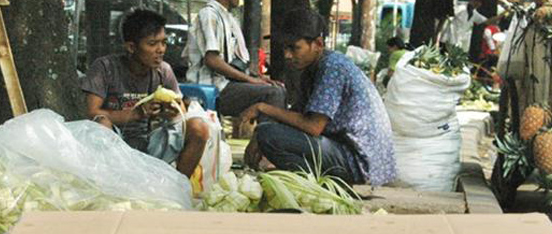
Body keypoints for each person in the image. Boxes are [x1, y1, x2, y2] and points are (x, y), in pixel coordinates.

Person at [240, 8, 396, 187]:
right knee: (268, 132)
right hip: (346, 151)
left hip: (360, 162)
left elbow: (313, 126)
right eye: (285, 48)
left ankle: (320, 182)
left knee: (270, 135)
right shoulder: (312, 68)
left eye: (294, 48)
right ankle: (314, 177)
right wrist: (258, 134)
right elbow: (297, 115)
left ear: (318, 44)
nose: (287, 55)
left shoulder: (332, 68)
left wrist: (263, 108)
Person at [81, 8, 210, 179]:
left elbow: (180, 112)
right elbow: (92, 113)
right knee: (101, 124)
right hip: (113, 146)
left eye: (164, 42)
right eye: (152, 44)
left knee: (198, 128)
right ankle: (107, 184)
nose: (161, 50)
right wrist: (137, 113)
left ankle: (177, 188)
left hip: (151, 144)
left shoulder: (163, 71)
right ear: (131, 47)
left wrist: (170, 112)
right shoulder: (105, 68)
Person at [182, 0, 285, 118]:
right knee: (273, 94)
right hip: (211, 87)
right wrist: (251, 80)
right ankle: (269, 135)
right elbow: (212, 60)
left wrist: (258, 78)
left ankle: (266, 134)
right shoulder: (209, 14)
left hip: (226, 84)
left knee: (278, 88)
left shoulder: (227, 17)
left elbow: (233, 63)